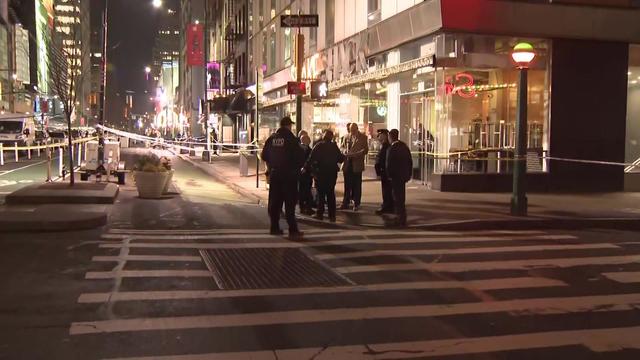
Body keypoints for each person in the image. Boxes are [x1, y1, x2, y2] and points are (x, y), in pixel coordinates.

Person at [261, 116, 305, 239]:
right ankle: (293, 230)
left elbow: (264, 155)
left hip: (275, 175)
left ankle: (274, 227)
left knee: (275, 202)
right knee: (289, 204)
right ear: (288, 125)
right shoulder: (291, 139)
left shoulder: (272, 138)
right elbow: (300, 157)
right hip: (289, 176)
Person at [306, 130, 344, 222]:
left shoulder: (319, 146)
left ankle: (320, 213)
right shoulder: (334, 146)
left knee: (321, 194)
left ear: (324, 136)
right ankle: (332, 215)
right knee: (330, 194)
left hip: (321, 173)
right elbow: (341, 158)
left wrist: (306, 168)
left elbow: (311, 158)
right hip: (331, 173)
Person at [386, 129, 413, 227]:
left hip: (395, 177)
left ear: (390, 137)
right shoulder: (404, 147)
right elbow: (410, 161)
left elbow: (389, 164)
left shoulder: (392, 149)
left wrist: (389, 175)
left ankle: (400, 218)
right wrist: (409, 174)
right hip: (403, 176)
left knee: (397, 198)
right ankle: (402, 216)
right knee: (401, 197)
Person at [341, 123, 368, 211]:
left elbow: (365, 150)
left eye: (353, 130)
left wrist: (358, 154)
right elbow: (341, 147)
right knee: (347, 185)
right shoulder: (346, 137)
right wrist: (345, 151)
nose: (352, 131)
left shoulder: (363, 137)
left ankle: (356, 203)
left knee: (357, 185)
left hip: (357, 164)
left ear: (357, 129)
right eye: (350, 129)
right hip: (347, 163)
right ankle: (345, 202)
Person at [374, 129, 394, 215]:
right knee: (386, 190)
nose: (378, 137)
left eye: (380, 135)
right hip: (384, 172)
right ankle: (388, 206)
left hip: (386, 172)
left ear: (385, 135)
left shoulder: (386, 146)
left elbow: (383, 160)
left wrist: (379, 171)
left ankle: (387, 206)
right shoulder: (383, 145)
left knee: (387, 190)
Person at [298, 134, 314, 215]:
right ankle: (304, 207)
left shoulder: (309, 150)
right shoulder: (301, 150)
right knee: (304, 191)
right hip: (303, 173)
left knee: (306, 190)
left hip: (306, 173)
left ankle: (306, 207)